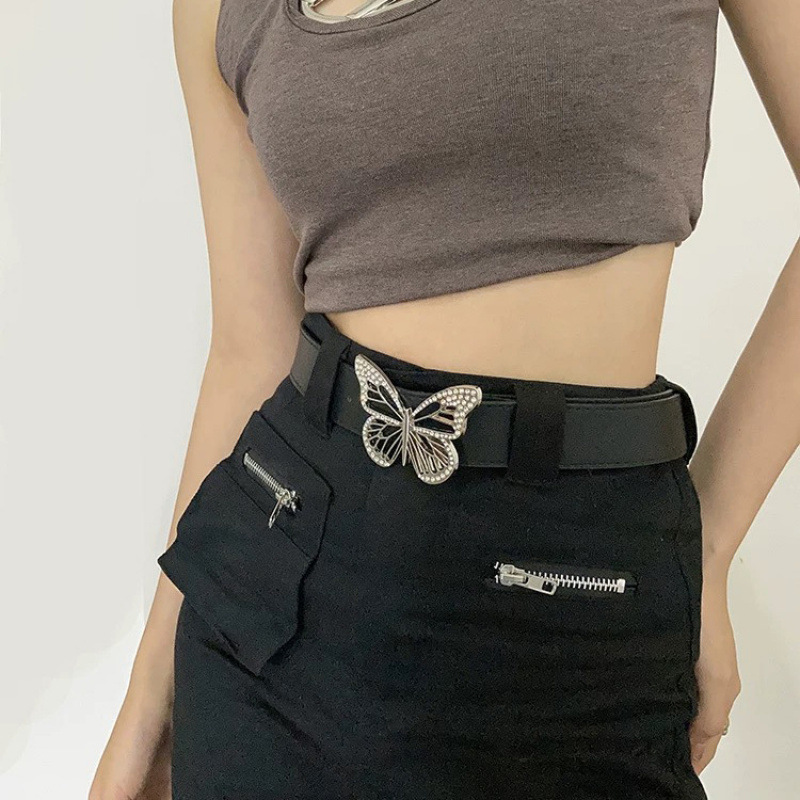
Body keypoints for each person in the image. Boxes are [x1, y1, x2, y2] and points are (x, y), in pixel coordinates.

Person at [90, 0, 800, 797]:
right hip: (274, 593)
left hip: (573, 585)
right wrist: (148, 696)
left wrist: (708, 546)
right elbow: (252, 349)